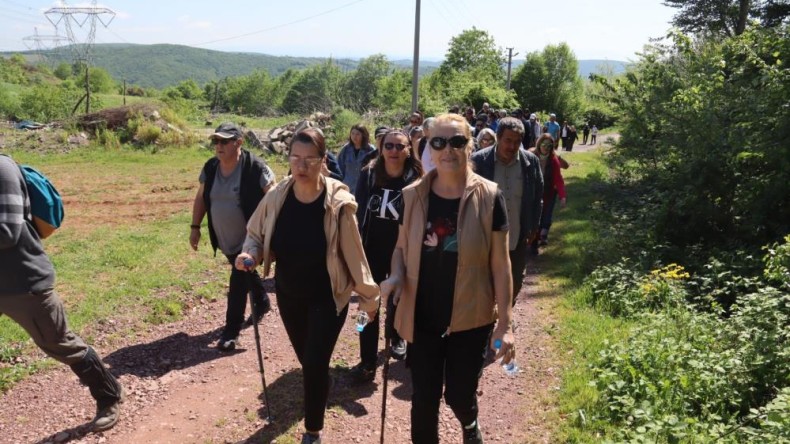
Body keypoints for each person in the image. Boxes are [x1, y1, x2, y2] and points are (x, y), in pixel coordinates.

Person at [236, 128, 379, 444]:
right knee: (309, 361)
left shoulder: (338, 204)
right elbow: (256, 233)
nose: (300, 166)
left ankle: (313, 431)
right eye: (294, 158)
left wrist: (369, 298)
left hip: (328, 298)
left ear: (323, 161)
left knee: (314, 363)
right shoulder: (278, 196)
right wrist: (251, 253)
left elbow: (356, 257)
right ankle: (319, 384)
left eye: (308, 160)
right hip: (289, 294)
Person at [380, 113, 516, 444]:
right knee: (423, 399)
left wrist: (506, 325)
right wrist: (396, 275)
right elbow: (400, 248)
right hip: (423, 314)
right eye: (438, 142)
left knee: (458, 395)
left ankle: (469, 424)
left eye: (456, 141)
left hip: (471, 317)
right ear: (427, 147)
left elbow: (501, 263)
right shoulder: (412, 196)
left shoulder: (490, 196)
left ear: (469, 145)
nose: (447, 150)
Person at [0, 154, 124, 432]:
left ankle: (109, 395)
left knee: (60, 343)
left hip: (23, 282)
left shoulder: (2, 169)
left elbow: (7, 232)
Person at [191, 122, 274, 351]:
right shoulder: (210, 168)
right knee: (244, 271)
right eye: (216, 141)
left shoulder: (255, 167)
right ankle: (262, 299)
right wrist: (195, 226)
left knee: (237, 279)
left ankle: (231, 332)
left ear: (239, 142)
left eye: (224, 141)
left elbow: (274, 198)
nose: (219, 145)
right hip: (225, 237)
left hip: (250, 239)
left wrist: (269, 233)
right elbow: (201, 198)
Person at [350, 129, 424, 382]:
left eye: (399, 146)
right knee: (366, 305)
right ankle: (366, 359)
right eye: (389, 146)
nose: (393, 151)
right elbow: (358, 212)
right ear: (381, 148)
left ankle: (397, 337)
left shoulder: (416, 179)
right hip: (370, 249)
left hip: (402, 251)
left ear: (408, 150)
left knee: (398, 300)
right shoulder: (369, 174)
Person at [471, 117, 544, 305]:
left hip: (516, 235)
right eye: (508, 140)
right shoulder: (479, 161)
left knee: (515, 281)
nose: (512, 146)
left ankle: (504, 316)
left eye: (517, 142)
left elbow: (537, 198)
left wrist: (534, 226)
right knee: (485, 284)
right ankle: (489, 324)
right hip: (484, 236)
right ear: (498, 137)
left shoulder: (530, 163)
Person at [528, 134, 567, 253]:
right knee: (534, 219)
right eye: (544, 144)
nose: (546, 147)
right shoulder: (530, 155)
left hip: (549, 193)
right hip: (533, 193)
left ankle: (540, 238)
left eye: (549, 145)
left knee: (545, 218)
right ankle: (533, 243)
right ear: (539, 143)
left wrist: (562, 196)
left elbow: (558, 179)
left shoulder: (554, 159)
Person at [337, 124, 376, 193]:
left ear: (363, 135)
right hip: (347, 188)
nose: (354, 136)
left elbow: (375, 171)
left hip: (364, 188)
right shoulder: (346, 149)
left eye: (358, 134)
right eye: (352, 133)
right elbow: (339, 168)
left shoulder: (370, 150)